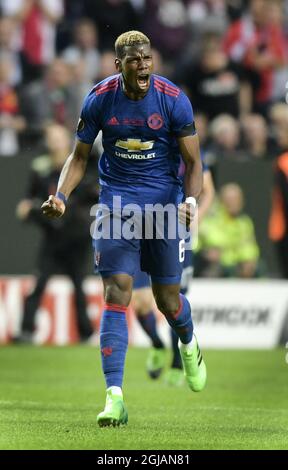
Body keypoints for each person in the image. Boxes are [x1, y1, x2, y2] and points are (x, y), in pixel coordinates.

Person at [41, 31, 207, 427]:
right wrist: (61, 195)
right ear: (119, 65)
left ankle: (187, 339)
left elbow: (194, 163)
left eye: (147, 58)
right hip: (116, 204)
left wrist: (190, 202)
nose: (143, 66)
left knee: (169, 301)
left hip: (165, 205)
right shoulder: (100, 99)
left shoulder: (171, 98)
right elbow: (79, 157)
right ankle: (114, 397)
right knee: (117, 292)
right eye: (134, 60)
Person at [132, 166, 215, 386]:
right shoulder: (139, 142)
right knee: (140, 303)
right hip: (142, 229)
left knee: (172, 301)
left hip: (177, 233)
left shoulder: (184, 143)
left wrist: (196, 217)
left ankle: (179, 362)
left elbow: (207, 188)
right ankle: (157, 345)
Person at [15, 123, 97, 343]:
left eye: (59, 137)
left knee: (79, 286)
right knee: (39, 283)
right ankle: (25, 331)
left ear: (67, 139)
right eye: (52, 138)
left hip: (76, 236)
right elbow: (29, 199)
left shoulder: (79, 164)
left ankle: (86, 333)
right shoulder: (40, 167)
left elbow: (93, 194)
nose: (56, 142)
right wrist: (28, 207)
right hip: (52, 236)